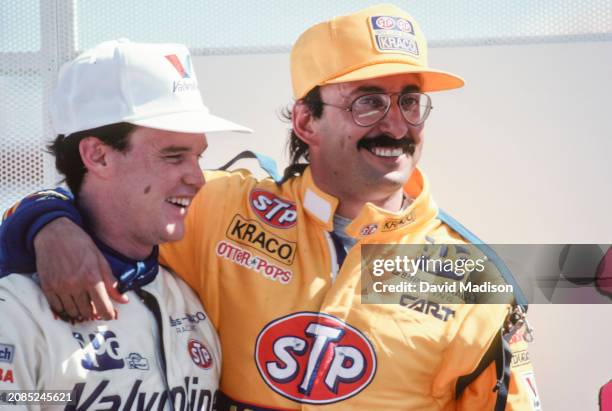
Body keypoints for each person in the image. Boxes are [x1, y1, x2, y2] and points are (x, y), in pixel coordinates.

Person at [0, 5, 540, 410]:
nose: (396, 124)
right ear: (305, 122)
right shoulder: (218, 207)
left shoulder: (471, 277)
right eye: (368, 101)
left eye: (410, 102)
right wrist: (49, 223)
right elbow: (103, 193)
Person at [0, 39, 252, 409]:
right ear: (307, 120)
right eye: (173, 155)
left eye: (198, 156)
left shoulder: (371, 239)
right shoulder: (17, 310)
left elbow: (373, 330)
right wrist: (45, 221)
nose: (198, 178)